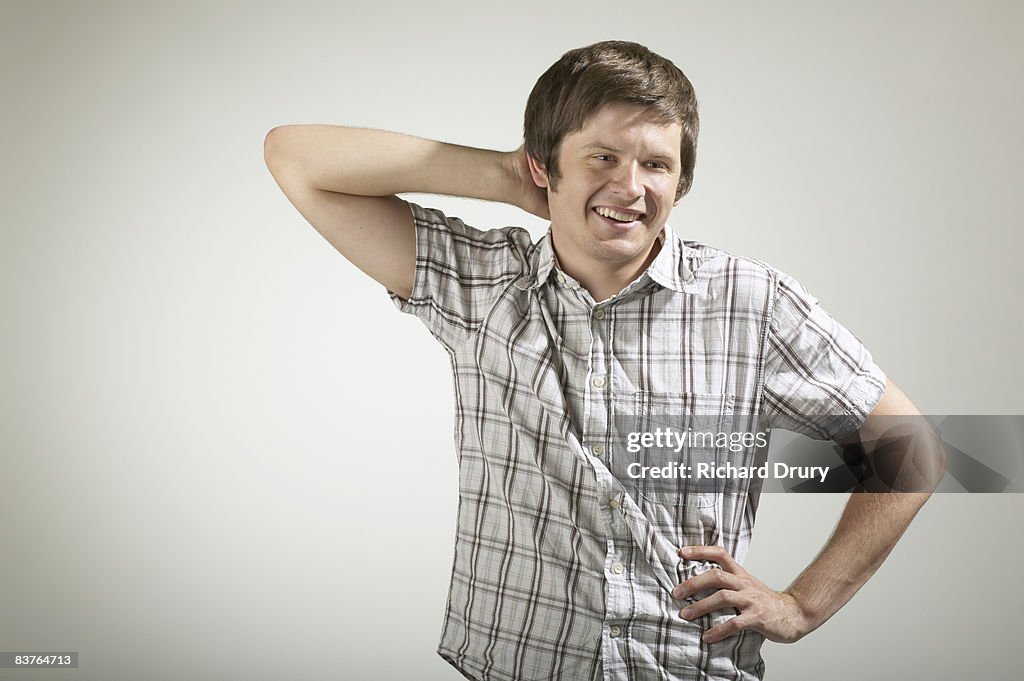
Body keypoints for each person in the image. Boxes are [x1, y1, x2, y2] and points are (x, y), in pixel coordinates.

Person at [263, 40, 944, 681]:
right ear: (544, 164)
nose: (630, 187)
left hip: (689, 666)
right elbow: (294, 157)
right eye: (601, 158)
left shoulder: (752, 301)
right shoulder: (479, 282)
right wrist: (503, 175)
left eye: (656, 164)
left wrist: (802, 604)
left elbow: (911, 448)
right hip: (516, 662)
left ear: (680, 182)